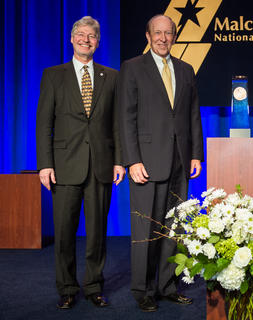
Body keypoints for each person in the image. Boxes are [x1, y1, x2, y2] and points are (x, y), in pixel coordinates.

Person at [36, 16, 125, 309]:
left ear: (98, 43)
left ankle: (93, 286)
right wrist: (45, 164)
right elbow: (43, 123)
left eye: (92, 36)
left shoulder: (111, 76)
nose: (86, 40)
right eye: (81, 35)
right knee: (63, 232)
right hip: (63, 166)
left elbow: (117, 123)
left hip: (101, 165)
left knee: (97, 231)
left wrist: (119, 161)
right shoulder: (53, 75)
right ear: (72, 39)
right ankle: (66, 287)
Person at [117, 14, 203, 312]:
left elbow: (192, 114)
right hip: (147, 163)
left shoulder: (186, 69)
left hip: (180, 162)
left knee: (173, 228)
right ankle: (142, 290)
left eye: (168, 33)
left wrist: (196, 154)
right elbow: (125, 118)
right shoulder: (132, 68)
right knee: (145, 230)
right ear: (148, 35)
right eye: (157, 33)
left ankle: (167, 286)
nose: (163, 38)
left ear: (175, 36)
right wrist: (132, 160)